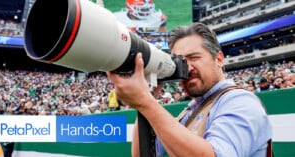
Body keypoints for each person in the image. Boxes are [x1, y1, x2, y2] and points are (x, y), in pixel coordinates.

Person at [107, 23, 272, 157]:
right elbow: (143, 154)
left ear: (219, 59)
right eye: (181, 62)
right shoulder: (189, 112)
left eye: (194, 57)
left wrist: (146, 103)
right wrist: (147, 97)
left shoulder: (240, 101)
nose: (188, 68)